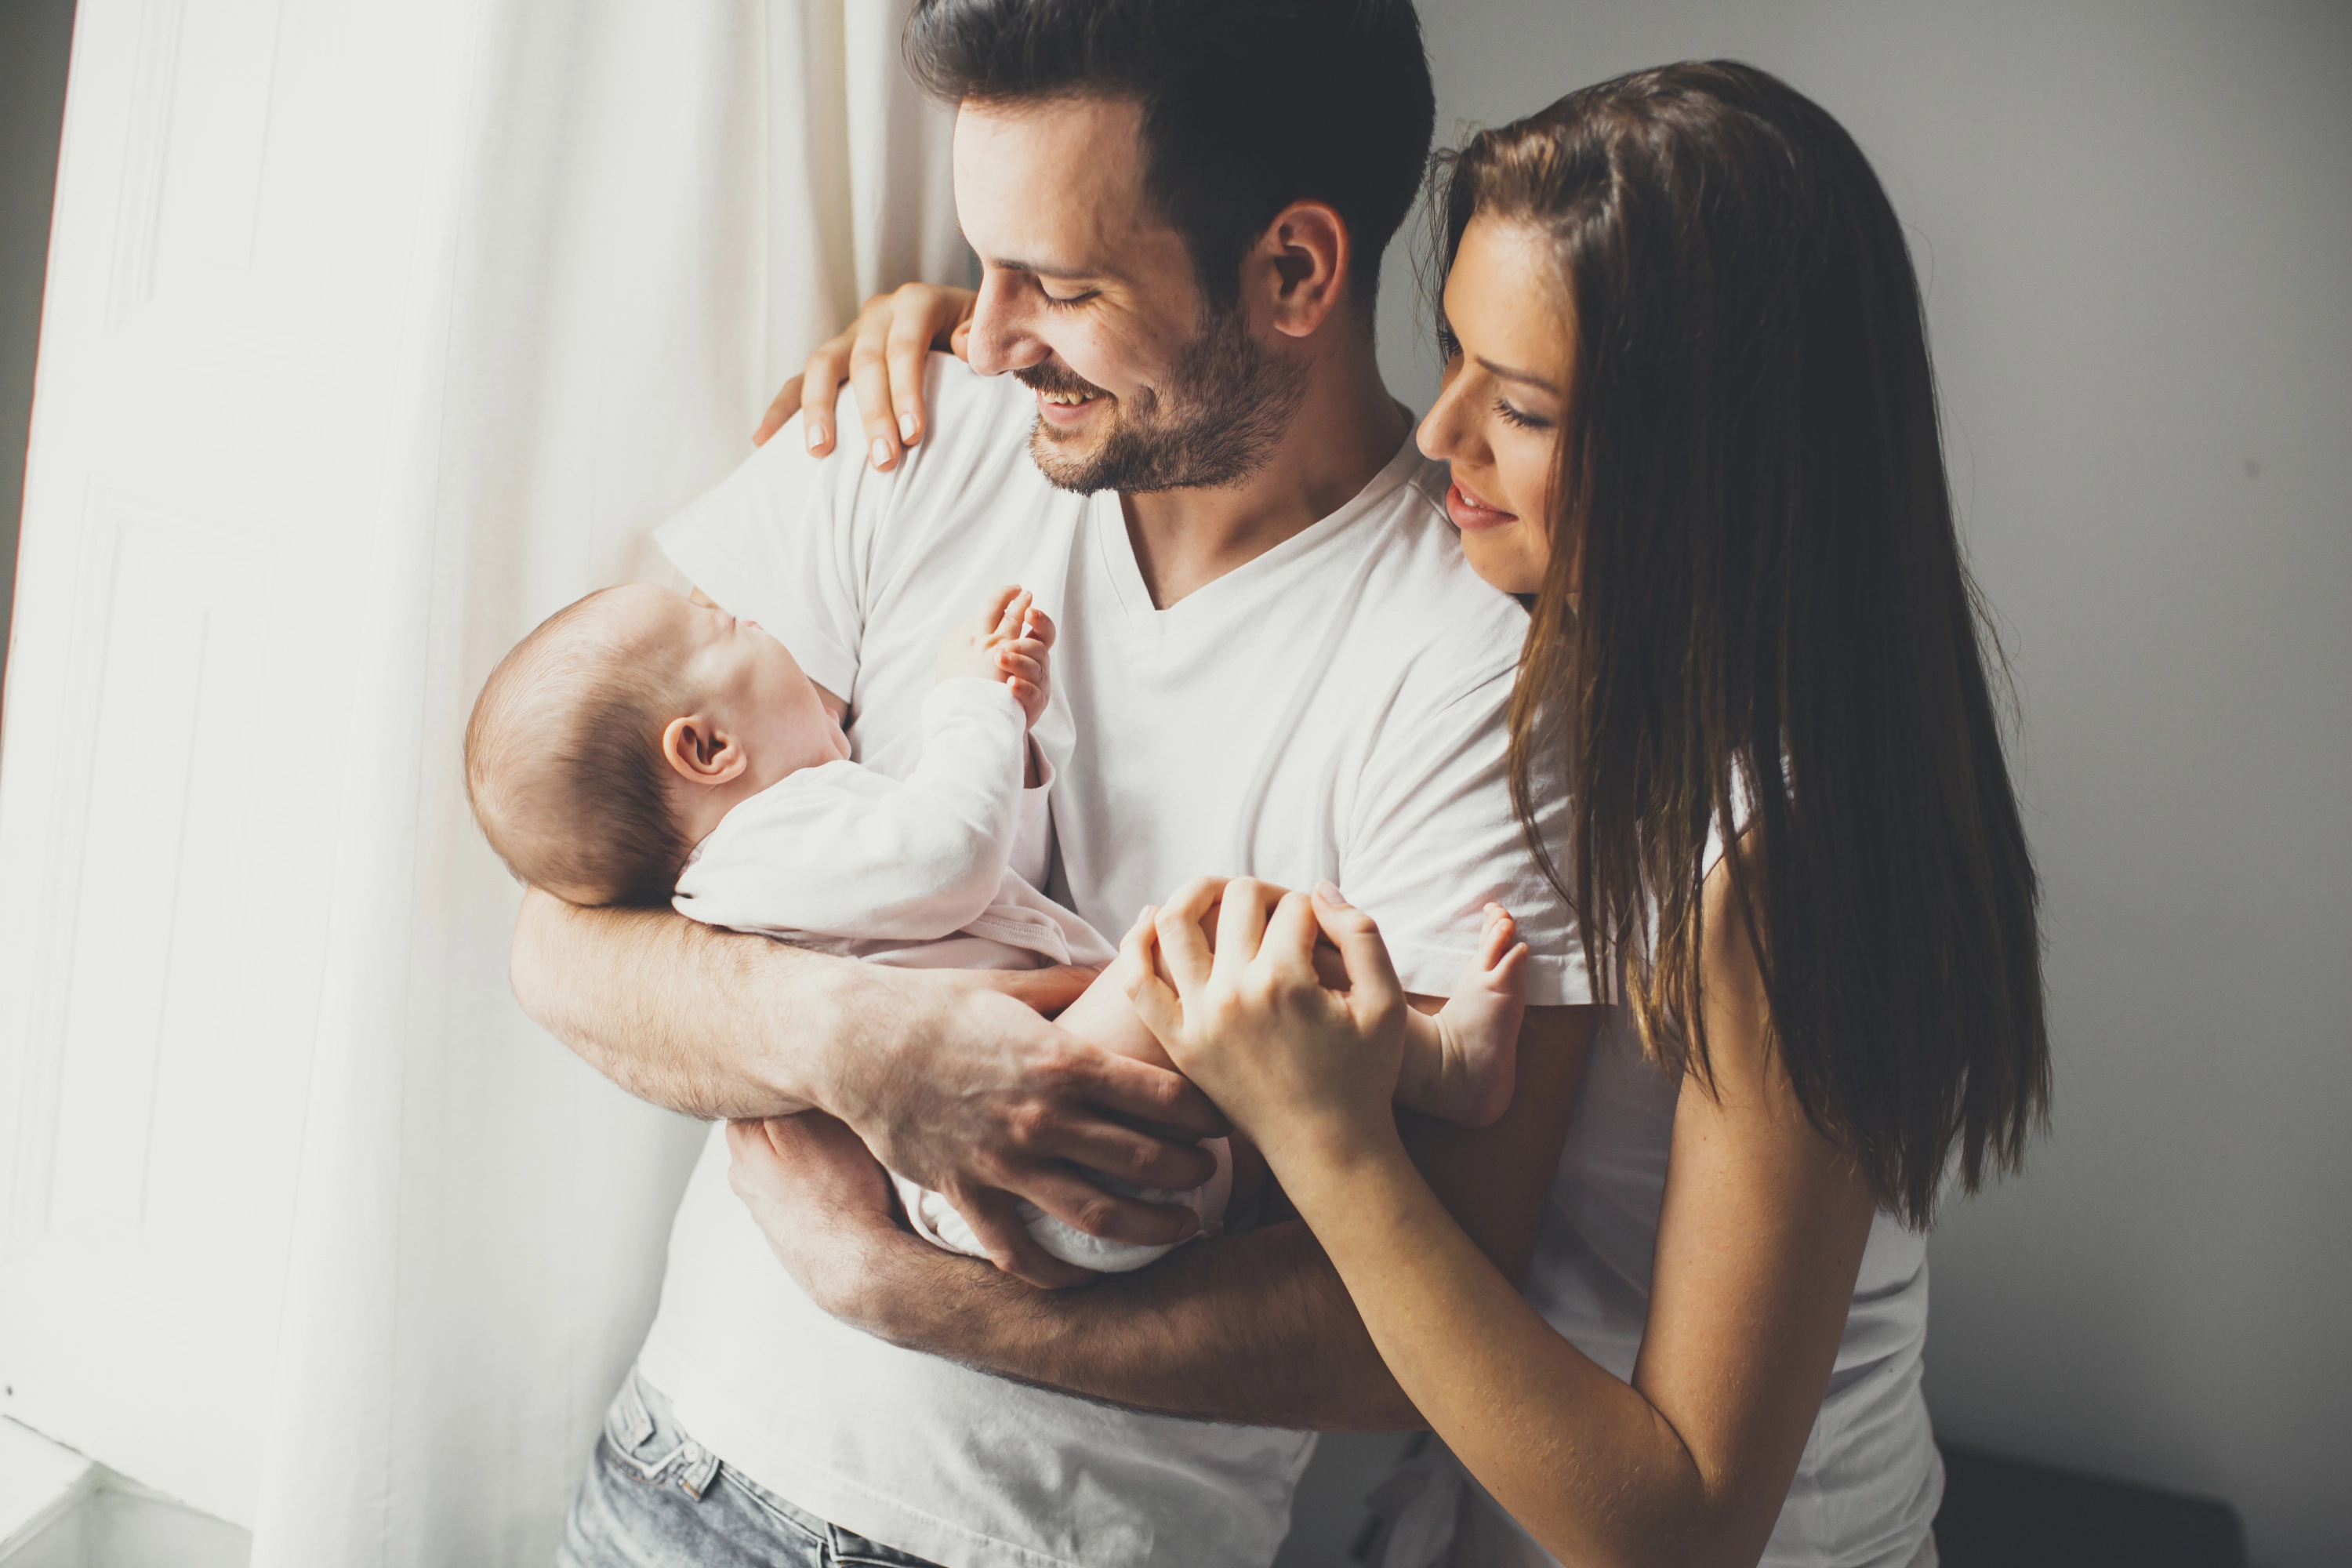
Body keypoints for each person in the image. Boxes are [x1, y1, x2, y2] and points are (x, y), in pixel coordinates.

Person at [728, 60, 2049, 1568]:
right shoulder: (1587, 673)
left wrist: (1319, 1138)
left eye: (1526, 408)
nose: (1442, 436)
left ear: (1714, 458)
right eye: (1456, 361)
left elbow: (1679, 1528)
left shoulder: (1794, 865)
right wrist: (995, 332)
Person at [517, 4, 1601, 1566]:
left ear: (1295, 271)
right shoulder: (907, 430)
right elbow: (560, 937)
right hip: (680, 1484)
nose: (983, 329)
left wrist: (915, 1297)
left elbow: (1429, 1336)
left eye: (1062, 285)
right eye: (986, 262)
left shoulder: (1475, 671)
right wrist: (859, 1041)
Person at [464, 581, 1530, 1272]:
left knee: (1237, 1020)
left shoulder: (795, 854)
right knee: (1200, 936)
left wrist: (1011, 739)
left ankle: (1405, 1081)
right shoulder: (762, 847)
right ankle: (1439, 1066)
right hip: (1037, 1158)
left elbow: (987, 884)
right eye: (727, 625)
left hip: (1049, 1166)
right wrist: (967, 705)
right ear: (705, 751)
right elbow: (947, 859)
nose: (757, 618)